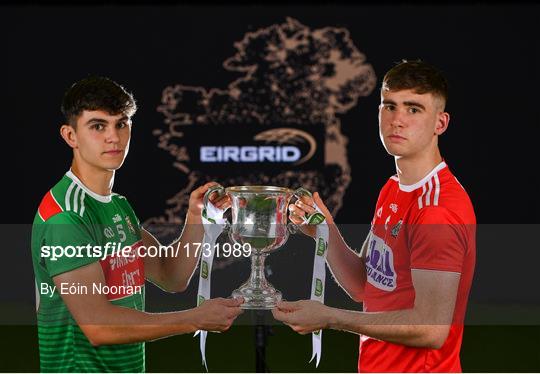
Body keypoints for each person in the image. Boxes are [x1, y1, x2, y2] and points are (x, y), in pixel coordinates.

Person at [273, 60, 476, 372]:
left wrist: (330, 317)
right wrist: (325, 233)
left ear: (441, 123)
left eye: (414, 109)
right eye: (389, 106)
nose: (397, 120)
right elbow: (365, 287)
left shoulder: (437, 209)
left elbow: (431, 330)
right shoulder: (393, 188)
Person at [31, 76, 243, 372]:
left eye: (121, 123)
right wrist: (194, 319)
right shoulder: (68, 215)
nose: (113, 137)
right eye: (97, 126)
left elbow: (171, 276)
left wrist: (196, 220)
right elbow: (99, 327)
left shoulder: (118, 205)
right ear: (70, 136)